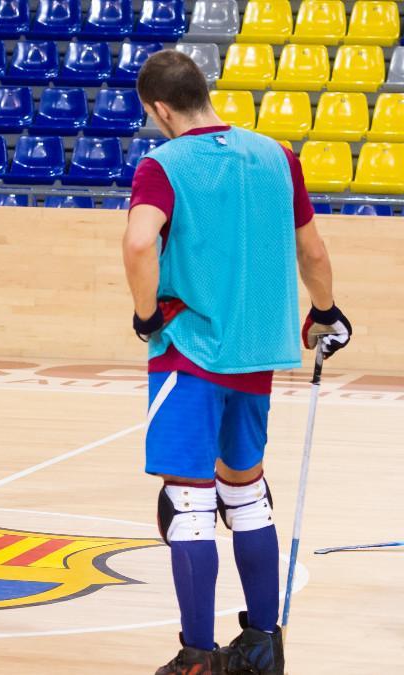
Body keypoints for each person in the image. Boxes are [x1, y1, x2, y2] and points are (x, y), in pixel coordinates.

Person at [123, 50, 352, 675]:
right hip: (256, 356)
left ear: (160, 108)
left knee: (190, 503)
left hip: (190, 351)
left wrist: (147, 316)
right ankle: (261, 644)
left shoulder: (163, 164)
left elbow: (141, 241)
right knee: (246, 493)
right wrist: (325, 314)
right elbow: (314, 252)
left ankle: (197, 657)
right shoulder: (279, 158)